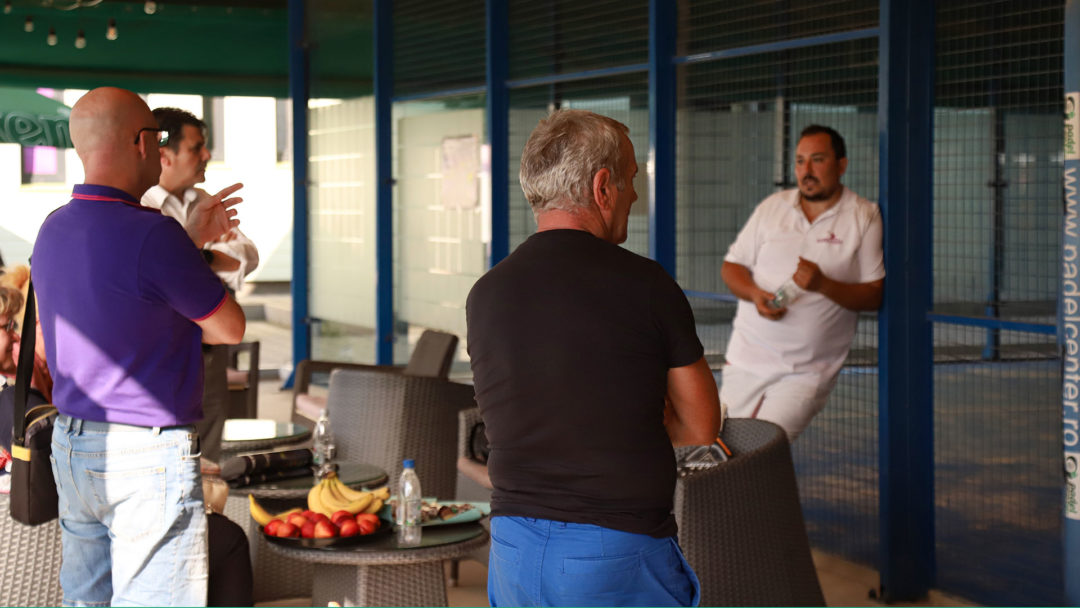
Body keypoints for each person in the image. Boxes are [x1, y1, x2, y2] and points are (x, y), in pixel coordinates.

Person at [467, 109, 721, 607]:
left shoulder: (486, 293)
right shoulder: (647, 286)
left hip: (513, 550)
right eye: (631, 178)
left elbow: (522, 409)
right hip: (614, 554)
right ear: (603, 187)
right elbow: (700, 425)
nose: (635, 195)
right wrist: (635, 420)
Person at [31, 86, 246, 606]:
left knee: (87, 600)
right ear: (140, 142)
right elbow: (229, 328)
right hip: (144, 453)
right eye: (158, 134)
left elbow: (120, 307)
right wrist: (190, 245)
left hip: (73, 442)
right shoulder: (154, 234)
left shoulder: (52, 227)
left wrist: (189, 241)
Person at [720, 124, 884, 441]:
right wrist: (755, 294)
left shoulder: (863, 216)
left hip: (805, 373)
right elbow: (732, 266)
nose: (806, 170)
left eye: (817, 160)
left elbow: (874, 295)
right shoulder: (773, 207)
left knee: (762, 448)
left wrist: (823, 285)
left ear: (841, 165)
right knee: (718, 451)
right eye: (799, 161)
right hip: (746, 361)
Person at [141, 107, 259, 462]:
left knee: (210, 456)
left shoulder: (204, 202)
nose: (207, 155)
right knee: (166, 454)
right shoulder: (140, 206)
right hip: (165, 354)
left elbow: (246, 257)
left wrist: (191, 253)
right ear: (165, 154)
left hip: (212, 350)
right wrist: (204, 250)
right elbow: (156, 273)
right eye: (197, 148)